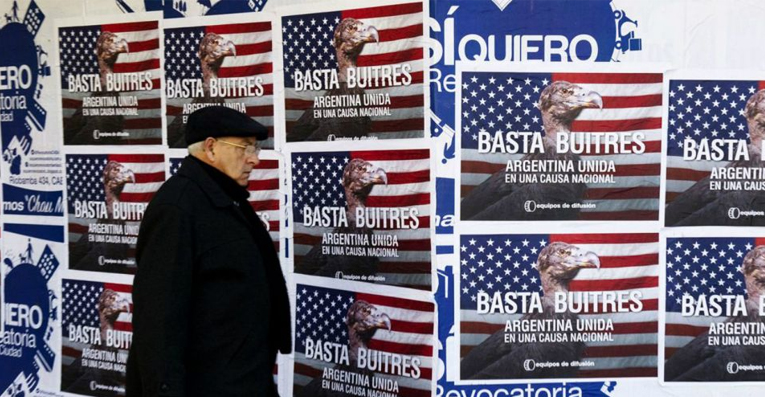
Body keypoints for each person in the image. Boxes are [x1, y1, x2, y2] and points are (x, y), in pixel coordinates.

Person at [126, 106, 290, 396]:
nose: (255, 158)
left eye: (256, 147)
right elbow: (158, 321)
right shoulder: (177, 208)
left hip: (244, 378)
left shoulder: (227, 198)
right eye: (245, 147)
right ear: (211, 148)